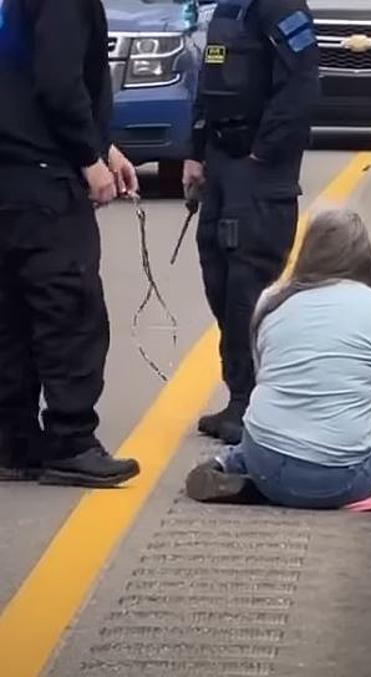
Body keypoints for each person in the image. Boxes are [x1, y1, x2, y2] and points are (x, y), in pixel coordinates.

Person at [184, 209, 371, 508]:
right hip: (337, 477)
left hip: (263, 456)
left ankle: (233, 467)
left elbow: (264, 374)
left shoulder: (272, 300)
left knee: (273, 425)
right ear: (364, 256)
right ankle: (289, 487)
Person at [0, 0, 141, 487]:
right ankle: (70, 440)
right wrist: (88, 156)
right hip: (45, 177)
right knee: (68, 308)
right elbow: (59, 81)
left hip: (10, 168)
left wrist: (105, 146)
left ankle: (11, 441)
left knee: (10, 312)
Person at [183, 0, 320, 446]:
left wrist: (266, 150)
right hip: (222, 162)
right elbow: (210, 82)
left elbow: (301, 84)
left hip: (261, 169)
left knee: (248, 284)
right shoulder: (228, 9)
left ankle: (259, 404)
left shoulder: (283, 9)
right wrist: (195, 150)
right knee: (218, 280)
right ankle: (238, 393)